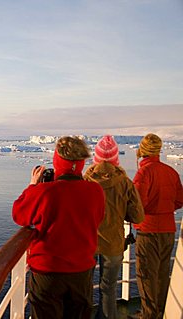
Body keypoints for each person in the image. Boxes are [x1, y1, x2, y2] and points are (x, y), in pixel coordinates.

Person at [12, 136, 105, 319]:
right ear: (81, 163)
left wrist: (32, 185)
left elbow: (19, 214)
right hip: (81, 271)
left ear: (57, 160)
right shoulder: (95, 191)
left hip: (48, 272)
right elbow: (97, 218)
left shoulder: (44, 192)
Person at [84, 135, 144, 319]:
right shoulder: (125, 183)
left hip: (88, 243)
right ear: (115, 159)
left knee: (84, 288)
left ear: (96, 157)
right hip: (114, 244)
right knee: (108, 289)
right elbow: (137, 216)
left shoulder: (85, 181)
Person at [132, 133, 183, 319]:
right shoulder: (171, 172)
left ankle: (148, 315)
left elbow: (138, 204)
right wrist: (164, 207)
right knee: (161, 274)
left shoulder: (144, 172)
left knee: (146, 275)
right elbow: (179, 200)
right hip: (168, 230)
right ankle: (160, 311)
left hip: (148, 230)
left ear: (142, 150)